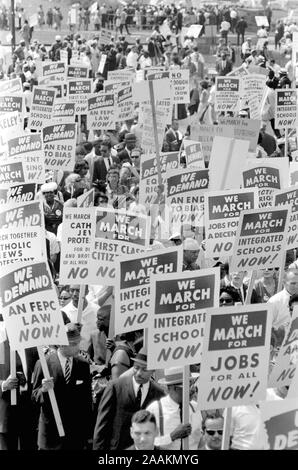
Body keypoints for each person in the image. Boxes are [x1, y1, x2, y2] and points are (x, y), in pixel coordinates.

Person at [32, 323, 92, 450]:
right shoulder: (43, 363)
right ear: (61, 344)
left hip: (75, 435)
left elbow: (87, 401)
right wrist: (43, 390)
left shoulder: (83, 365)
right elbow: (34, 396)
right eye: (74, 344)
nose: (78, 347)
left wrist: (87, 431)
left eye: (78, 343)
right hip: (51, 434)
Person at [93, 347, 165, 450]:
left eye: (144, 369)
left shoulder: (159, 394)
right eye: (136, 367)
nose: (139, 373)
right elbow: (102, 425)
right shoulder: (116, 387)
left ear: (153, 371)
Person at [146, 367, 202, 450]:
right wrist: (171, 436)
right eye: (187, 385)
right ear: (172, 388)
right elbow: (145, 442)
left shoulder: (195, 407)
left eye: (192, 384)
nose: (193, 390)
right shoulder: (155, 409)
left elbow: (200, 440)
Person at [61, 285, 98, 352]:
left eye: (78, 290)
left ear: (87, 292)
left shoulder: (97, 310)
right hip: (71, 355)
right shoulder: (63, 312)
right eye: (72, 290)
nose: (75, 294)